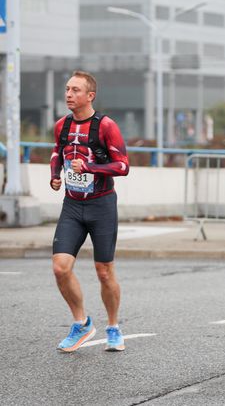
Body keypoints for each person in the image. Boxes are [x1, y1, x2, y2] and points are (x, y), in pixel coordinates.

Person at [50, 71, 130, 352]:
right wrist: (55, 175)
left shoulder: (106, 126)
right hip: (72, 205)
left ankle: (113, 327)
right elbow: (57, 152)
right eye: (67, 89)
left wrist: (91, 168)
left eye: (75, 90)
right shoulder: (61, 125)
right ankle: (81, 323)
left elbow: (122, 166)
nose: (69, 94)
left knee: (104, 272)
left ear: (90, 96)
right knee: (60, 268)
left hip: (102, 205)